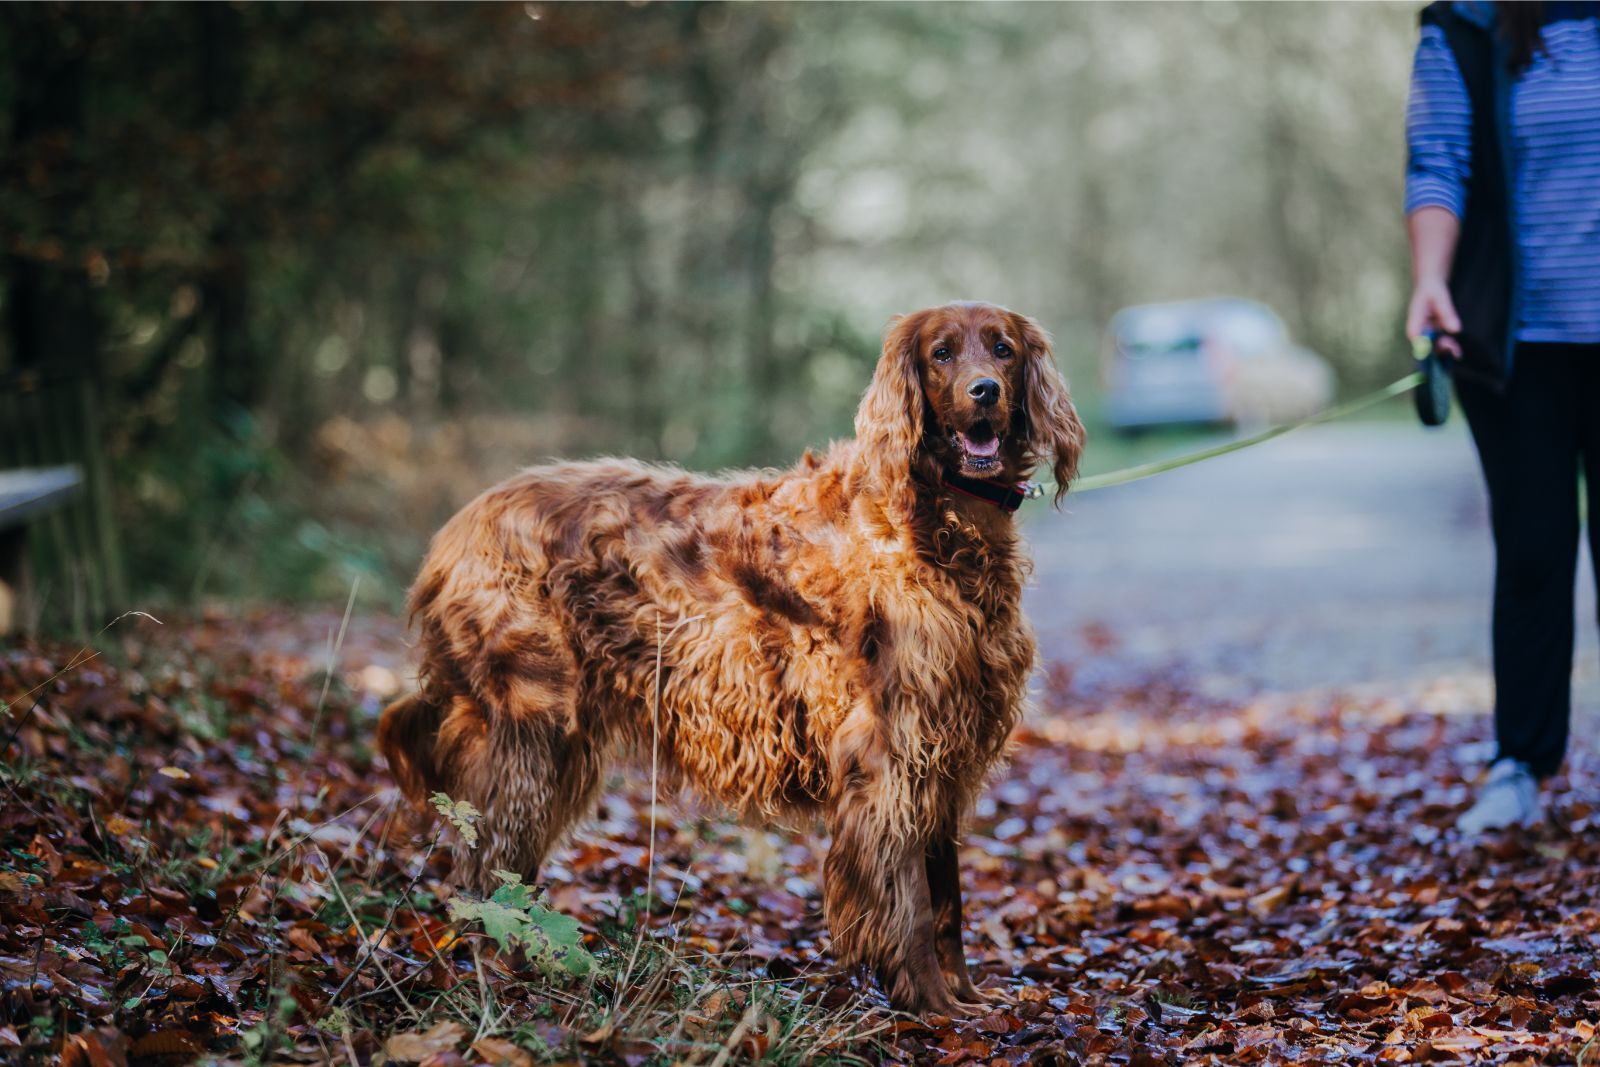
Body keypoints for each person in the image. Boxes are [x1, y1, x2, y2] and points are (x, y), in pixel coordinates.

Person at [1404, 0, 1600, 833]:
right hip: (1518, 351)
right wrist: (1430, 278)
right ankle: (1519, 763)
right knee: (1531, 553)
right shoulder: (1468, 27)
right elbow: (1437, 163)